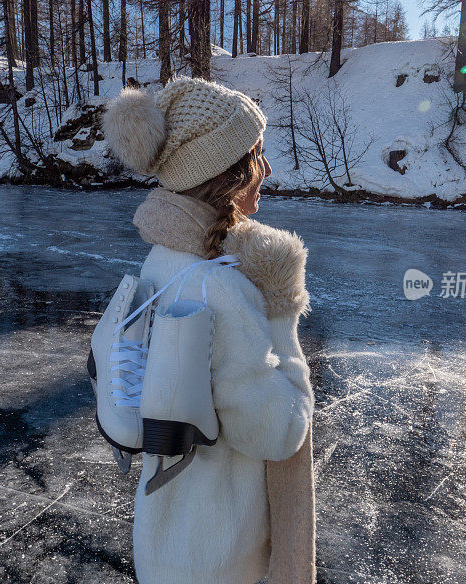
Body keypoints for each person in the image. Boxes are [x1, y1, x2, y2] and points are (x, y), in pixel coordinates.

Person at [102, 75, 316, 584]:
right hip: (218, 557)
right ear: (227, 172)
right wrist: (283, 320)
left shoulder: (164, 258)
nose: (266, 170)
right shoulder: (220, 288)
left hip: (167, 538)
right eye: (256, 156)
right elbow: (279, 431)